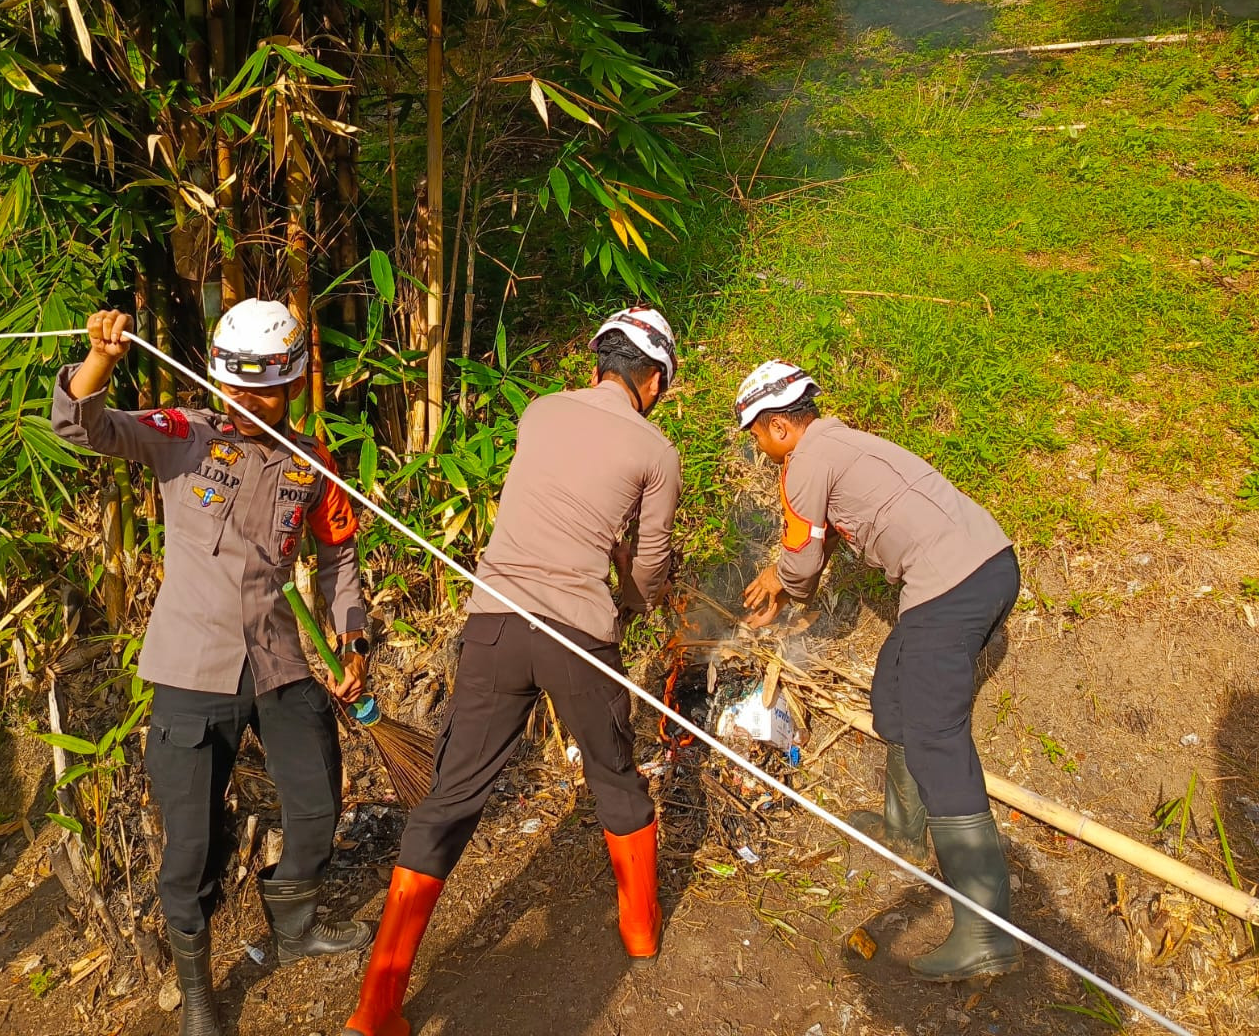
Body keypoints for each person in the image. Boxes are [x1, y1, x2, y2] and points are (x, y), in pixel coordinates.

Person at [343, 307, 682, 1036]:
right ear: (653, 380)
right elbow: (650, 566)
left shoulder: (540, 411)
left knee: (450, 798)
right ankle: (640, 931)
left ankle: (376, 1007)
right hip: (576, 633)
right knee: (614, 775)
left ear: (597, 364)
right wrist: (633, 596)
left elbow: (550, 503)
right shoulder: (657, 450)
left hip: (494, 624)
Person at [53, 301, 374, 1036]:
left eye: (268, 390)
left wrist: (353, 640)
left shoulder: (313, 462)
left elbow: (338, 554)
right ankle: (198, 995)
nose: (251, 402)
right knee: (191, 844)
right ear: (219, 379)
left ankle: (294, 927)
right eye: (238, 387)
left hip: (281, 660)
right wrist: (100, 358)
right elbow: (82, 427)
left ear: (293, 383)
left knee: (318, 804)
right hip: (191, 666)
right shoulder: (183, 436)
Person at [736, 361, 1023, 982]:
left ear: (779, 426)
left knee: (937, 740)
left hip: (950, 585)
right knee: (893, 689)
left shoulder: (803, 465)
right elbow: (819, 540)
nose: (759, 450)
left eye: (757, 436)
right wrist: (785, 577)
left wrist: (784, 587)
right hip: (989, 566)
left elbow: (802, 562)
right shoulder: (842, 442)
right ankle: (903, 830)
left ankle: (986, 931)